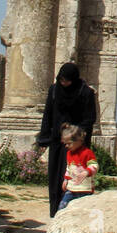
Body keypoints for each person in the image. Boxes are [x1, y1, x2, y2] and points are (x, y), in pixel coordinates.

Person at [37, 62, 98, 216]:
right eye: (61, 80)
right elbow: (48, 115)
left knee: (74, 175)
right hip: (58, 141)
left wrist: (76, 136)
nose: (63, 83)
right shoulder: (54, 90)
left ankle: (71, 212)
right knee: (56, 176)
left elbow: (89, 118)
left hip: (76, 143)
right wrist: (44, 138)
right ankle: (55, 211)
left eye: (67, 80)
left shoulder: (86, 93)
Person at [55, 124, 98, 211]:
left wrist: (87, 171)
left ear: (79, 141)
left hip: (85, 189)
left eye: (69, 143)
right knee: (62, 207)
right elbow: (69, 168)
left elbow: (94, 166)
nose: (66, 146)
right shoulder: (69, 153)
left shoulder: (87, 153)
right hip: (71, 189)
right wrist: (66, 179)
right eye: (65, 144)